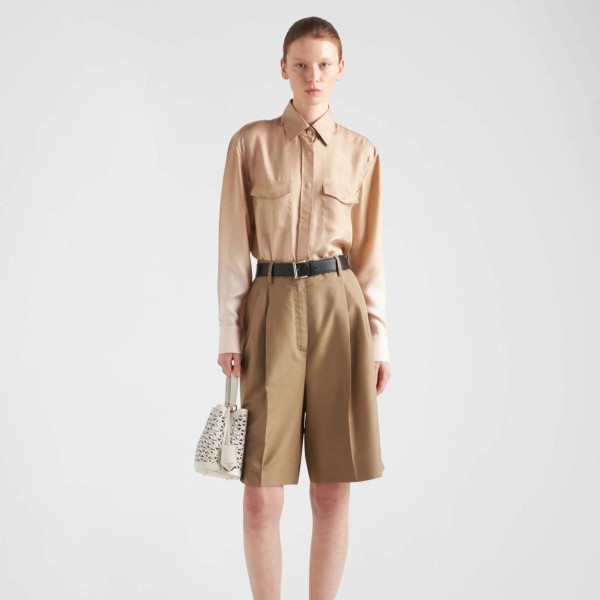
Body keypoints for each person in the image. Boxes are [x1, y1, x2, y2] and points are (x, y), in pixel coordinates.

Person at [216, 16, 392, 599]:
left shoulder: (361, 153)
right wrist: (229, 331)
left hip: (340, 312)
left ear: (340, 70)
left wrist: (379, 339)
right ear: (283, 68)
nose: (312, 75)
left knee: (332, 489)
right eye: (301, 64)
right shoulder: (250, 143)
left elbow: (370, 255)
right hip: (270, 307)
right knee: (260, 492)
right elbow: (232, 244)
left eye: (323, 65)